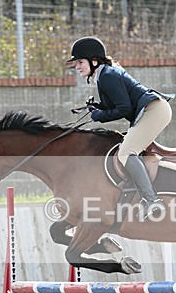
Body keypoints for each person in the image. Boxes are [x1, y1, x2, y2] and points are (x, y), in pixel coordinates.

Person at [68, 36, 170, 221]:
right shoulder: (104, 74)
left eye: (80, 62)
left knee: (126, 153)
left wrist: (99, 115)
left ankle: (152, 201)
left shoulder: (107, 76)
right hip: (151, 110)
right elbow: (118, 104)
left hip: (154, 111)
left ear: (94, 61)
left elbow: (124, 109)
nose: (77, 67)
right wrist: (98, 107)